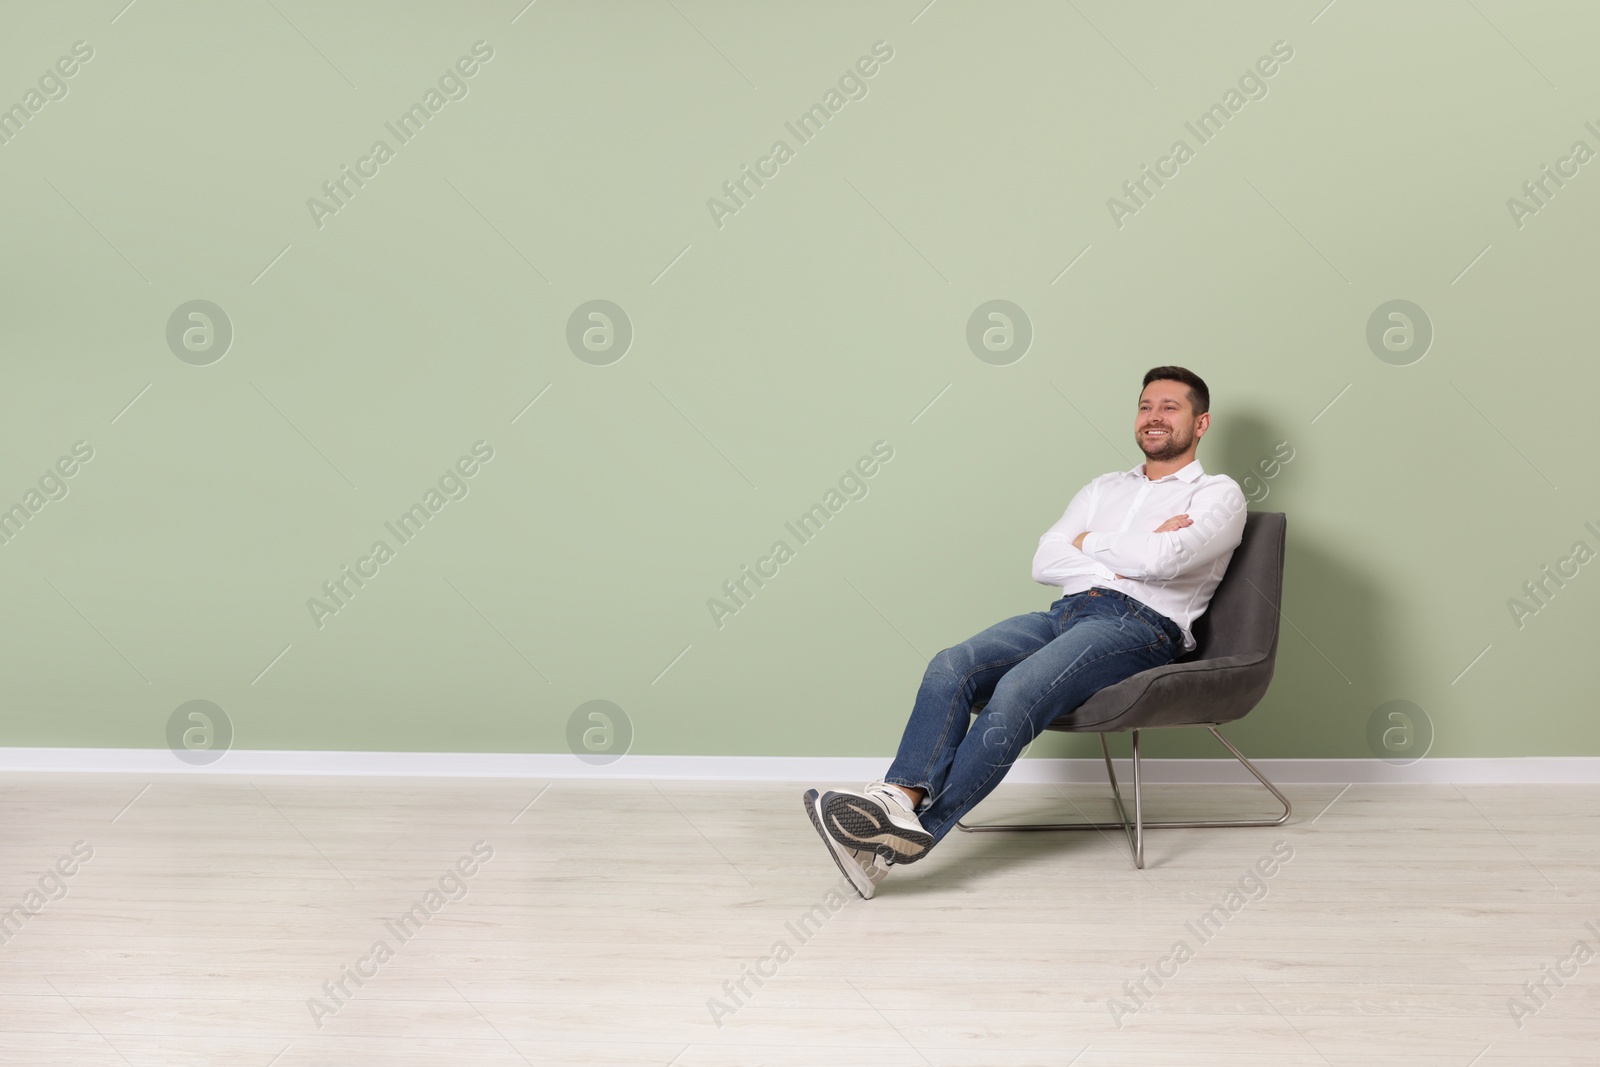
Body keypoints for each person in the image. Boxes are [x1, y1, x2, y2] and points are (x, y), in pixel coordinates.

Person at [803, 366, 1249, 898]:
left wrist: (1089, 544)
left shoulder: (1219, 495)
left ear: (1201, 423)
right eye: (1145, 405)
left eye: (1169, 407)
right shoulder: (1103, 487)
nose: (1154, 417)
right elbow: (1045, 560)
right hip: (1063, 613)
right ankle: (897, 802)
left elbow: (1168, 560)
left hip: (1141, 626)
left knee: (1016, 690)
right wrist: (1127, 550)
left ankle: (918, 831)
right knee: (951, 665)